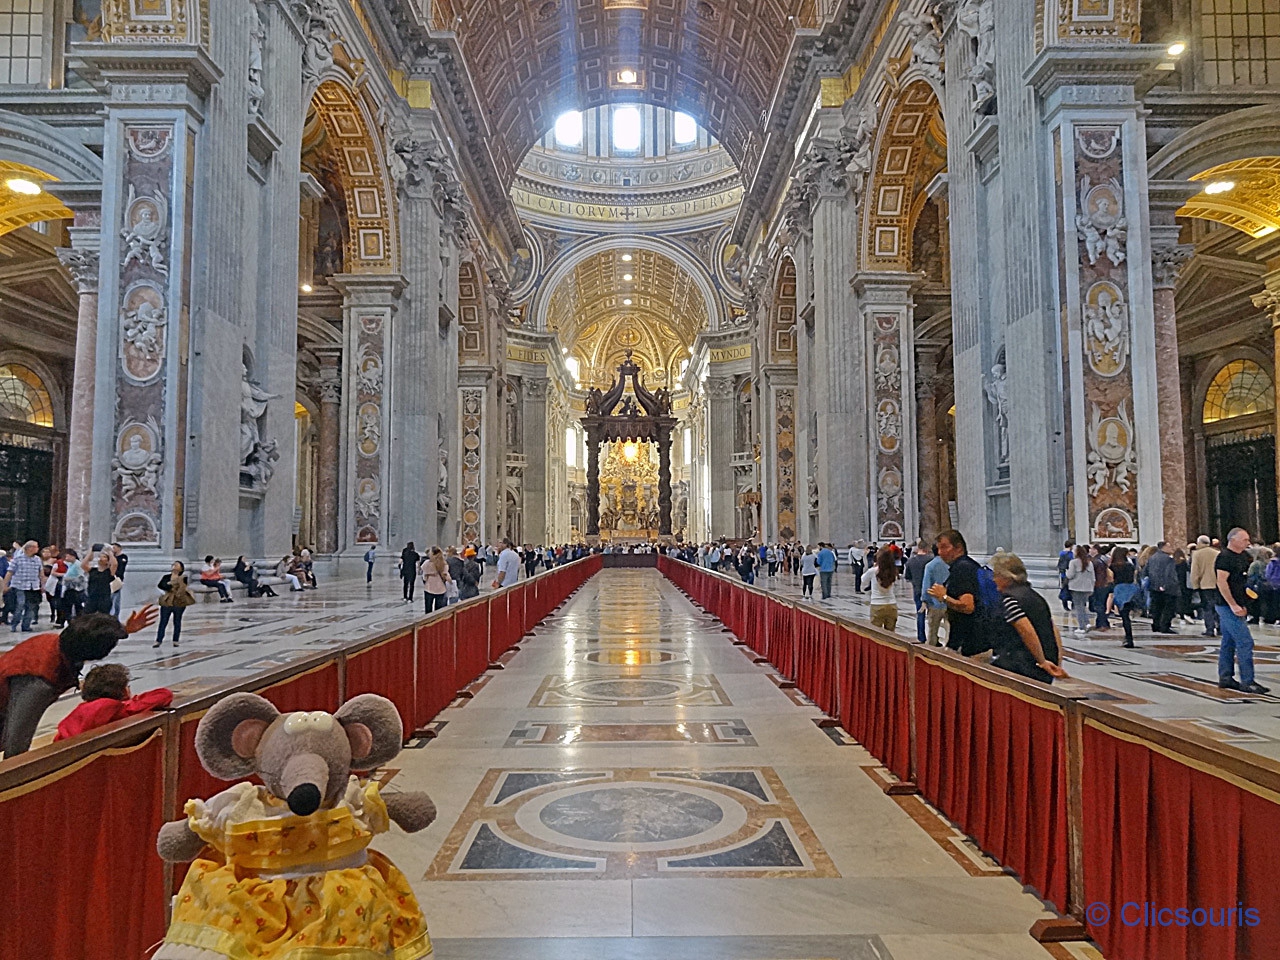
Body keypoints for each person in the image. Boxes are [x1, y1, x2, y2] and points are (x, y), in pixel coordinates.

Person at [0, 607, 158, 757]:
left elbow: (87, 635)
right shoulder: (40, 681)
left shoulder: (55, 642)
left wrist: (124, 630)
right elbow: (16, 745)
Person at [989, 553, 1068, 684]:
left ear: (1007, 577)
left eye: (996, 575)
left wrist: (1041, 661)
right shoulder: (1036, 597)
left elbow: (1026, 630)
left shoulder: (1010, 599)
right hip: (1042, 665)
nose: (993, 579)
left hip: (1022, 665)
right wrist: (1057, 661)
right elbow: (1052, 628)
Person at [54, 663, 173, 741]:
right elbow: (164, 694)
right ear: (122, 691)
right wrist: (129, 701)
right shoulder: (119, 710)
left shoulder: (81, 712)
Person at [1216, 527, 1270, 693]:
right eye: (1244, 540)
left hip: (1238, 603)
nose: (1248, 542)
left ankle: (1225, 677)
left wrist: (1244, 602)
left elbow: (1240, 583)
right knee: (1245, 641)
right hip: (1226, 605)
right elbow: (1222, 582)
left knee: (1229, 641)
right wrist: (1233, 604)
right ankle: (1247, 681)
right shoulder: (1224, 557)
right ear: (1233, 540)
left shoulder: (1243, 557)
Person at [927, 529, 984, 656]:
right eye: (938, 549)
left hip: (968, 643)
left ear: (958, 548)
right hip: (972, 639)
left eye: (944, 547)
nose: (940, 553)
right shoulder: (970, 564)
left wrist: (944, 596)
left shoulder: (962, 569)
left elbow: (968, 607)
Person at [4, 540, 46, 632]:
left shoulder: (37, 559)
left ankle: (26, 625)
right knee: (20, 604)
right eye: (36, 546)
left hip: (33, 586)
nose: (38, 549)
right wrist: (5, 585)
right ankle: (14, 623)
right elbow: (10, 572)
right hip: (20, 585)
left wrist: (43, 585)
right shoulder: (18, 559)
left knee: (31, 606)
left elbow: (41, 573)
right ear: (29, 548)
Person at [155, 561, 196, 647]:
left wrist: (172, 584)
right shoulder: (166, 577)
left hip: (179, 601)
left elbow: (182, 587)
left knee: (177, 621)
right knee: (163, 621)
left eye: (176, 565)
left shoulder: (183, 577)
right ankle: (159, 640)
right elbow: (161, 585)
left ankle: (175, 640)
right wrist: (170, 586)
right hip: (168, 601)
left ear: (181, 568)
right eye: (173, 565)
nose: (174, 567)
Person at [862, 546, 900, 632]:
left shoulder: (874, 571)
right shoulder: (894, 571)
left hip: (877, 604)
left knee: (876, 634)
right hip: (892, 605)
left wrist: (873, 566)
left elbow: (863, 579)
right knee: (891, 634)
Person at [1145, 540, 1180, 634]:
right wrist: (1166, 585)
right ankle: (1165, 626)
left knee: (1157, 607)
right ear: (1163, 547)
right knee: (1168, 607)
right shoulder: (1168, 559)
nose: (1171, 548)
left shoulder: (1152, 558)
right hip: (1167, 587)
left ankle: (1156, 625)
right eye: (1169, 546)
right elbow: (1169, 574)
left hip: (1154, 587)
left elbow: (1147, 571)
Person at [1190, 534, 1220, 637]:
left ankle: (1210, 629)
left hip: (1205, 584)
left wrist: (1195, 585)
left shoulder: (1197, 554)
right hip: (1217, 583)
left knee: (1207, 608)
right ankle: (1220, 628)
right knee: (1218, 606)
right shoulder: (1217, 553)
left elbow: (1195, 571)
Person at [1109, 547, 1139, 648]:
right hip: (1129, 590)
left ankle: (1128, 638)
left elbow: (1111, 579)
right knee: (1127, 616)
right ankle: (1129, 638)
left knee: (1124, 616)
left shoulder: (1113, 566)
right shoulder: (1130, 566)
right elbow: (1133, 578)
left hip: (1119, 590)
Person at [920, 546, 950, 646]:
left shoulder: (930, 566)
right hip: (949, 602)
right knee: (949, 632)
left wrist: (925, 600)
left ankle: (930, 655)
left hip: (934, 604)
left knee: (932, 633)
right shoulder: (950, 564)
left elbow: (926, 586)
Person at [903, 541, 932, 643]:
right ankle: (933, 637)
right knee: (933, 615)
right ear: (927, 549)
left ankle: (921, 637)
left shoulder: (911, 561)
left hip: (917, 590)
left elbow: (907, 577)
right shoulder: (931, 560)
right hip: (931, 590)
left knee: (920, 614)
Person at [1065, 544, 1095, 636]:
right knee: (1083, 606)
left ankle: (1082, 627)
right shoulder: (1089, 563)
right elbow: (1093, 577)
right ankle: (1087, 622)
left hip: (1076, 587)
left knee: (1078, 607)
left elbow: (1070, 575)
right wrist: (1092, 588)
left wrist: (1066, 572)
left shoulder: (1073, 562)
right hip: (1087, 587)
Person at [85, 550, 118, 615]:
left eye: (104, 557)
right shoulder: (93, 570)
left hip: (104, 598)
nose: (101, 558)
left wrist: (110, 552)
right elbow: (83, 564)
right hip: (92, 597)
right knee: (88, 616)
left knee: (103, 616)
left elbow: (115, 564)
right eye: (100, 557)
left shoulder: (109, 571)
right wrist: (91, 551)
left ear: (108, 561)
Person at [422, 547, 451, 613]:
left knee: (428, 609)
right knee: (438, 610)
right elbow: (446, 574)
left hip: (429, 587)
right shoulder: (444, 564)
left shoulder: (427, 563)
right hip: (441, 588)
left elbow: (424, 576)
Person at [109, 543, 129, 618]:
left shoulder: (123, 557)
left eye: (114, 547)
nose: (112, 549)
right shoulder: (110, 557)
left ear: (119, 548)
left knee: (115, 599)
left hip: (117, 580)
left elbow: (120, 567)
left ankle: (115, 615)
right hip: (109, 579)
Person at [1056, 539, 1075, 611]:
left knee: (1064, 589)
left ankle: (1065, 604)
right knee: (1071, 589)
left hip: (1063, 574)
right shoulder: (1070, 554)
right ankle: (1072, 604)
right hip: (1069, 574)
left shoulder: (1061, 553)